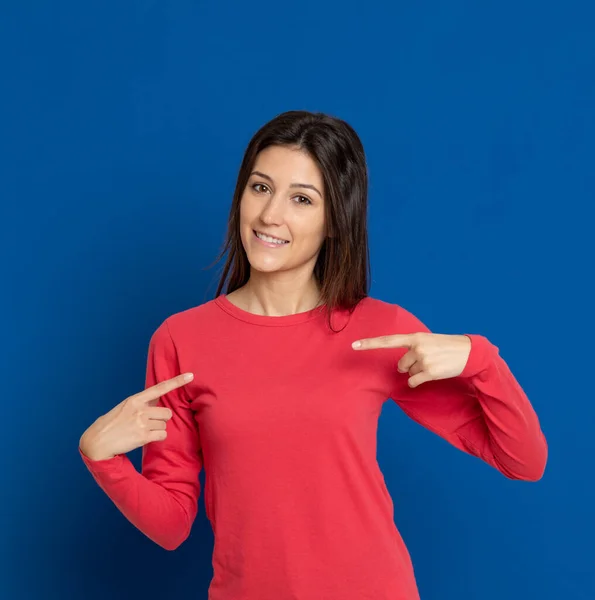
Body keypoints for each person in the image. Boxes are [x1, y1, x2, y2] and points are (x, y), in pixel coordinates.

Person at [79, 110, 548, 600]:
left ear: (333, 222)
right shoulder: (181, 339)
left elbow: (524, 460)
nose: (270, 215)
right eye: (261, 188)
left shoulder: (381, 332)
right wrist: (102, 457)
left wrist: (481, 360)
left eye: (301, 199)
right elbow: (172, 524)